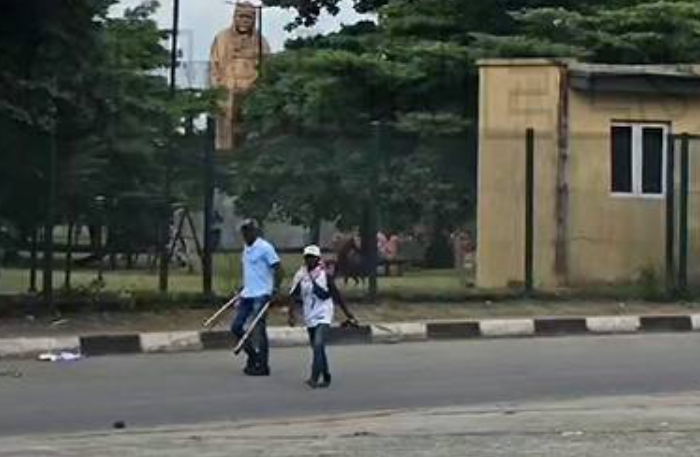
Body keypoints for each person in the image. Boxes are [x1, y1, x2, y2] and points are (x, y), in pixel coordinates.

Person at [288, 245, 358, 389]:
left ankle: (314, 377)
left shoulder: (324, 275)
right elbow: (293, 296)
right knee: (317, 347)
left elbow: (336, 294)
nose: (309, 260)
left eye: (312, 257)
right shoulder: (300, 275)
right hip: (309, 315)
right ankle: (326, 375)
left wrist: (348, 314)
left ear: (318, 258)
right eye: (307, 257)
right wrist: (291, 314)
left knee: (319, 343)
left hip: (324, 313)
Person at [231, 220, 283, 376]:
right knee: (236, 327)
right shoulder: (246, 249)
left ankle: (263, 365)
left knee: (258, 330)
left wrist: (275, 289)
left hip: (262, 294)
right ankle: (253, 356)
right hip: (247, 294)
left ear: (255, 231)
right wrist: (243, 286)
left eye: (249, 231)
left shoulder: (265, 248)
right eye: (244, 232)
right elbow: (250, 271)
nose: (246, 234)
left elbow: (279, 270)